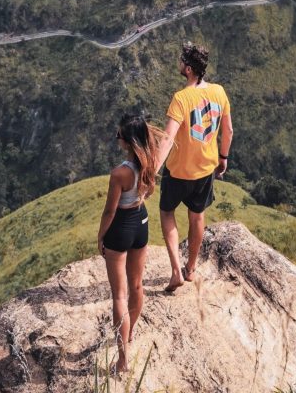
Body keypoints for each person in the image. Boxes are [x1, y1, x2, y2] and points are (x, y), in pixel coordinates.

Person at [154, 41, 233, 292]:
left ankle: (176, 270)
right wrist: (223, 158)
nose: (178, 64)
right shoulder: (219, 92)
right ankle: (190, 269)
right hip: (206, 170)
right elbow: (228, 130)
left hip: (178, 171)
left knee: (167, 212)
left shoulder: (181, 99)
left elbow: (167, 138)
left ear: (188, 69)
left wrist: (151, 171)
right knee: (197, 216)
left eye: (180, 61)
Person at [97, 113, 164, 374]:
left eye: (118, 135)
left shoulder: (119, 173)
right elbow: (151, 191)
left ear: (127, 141)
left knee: (119, 296)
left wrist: (101, 236)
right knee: (137, 285)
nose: (117, 139)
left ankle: (123, 360)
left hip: (121, 227)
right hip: (141, 221)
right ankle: (131, 331)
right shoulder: (150, 162)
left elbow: (109, 212)